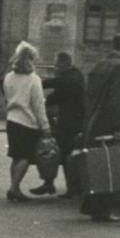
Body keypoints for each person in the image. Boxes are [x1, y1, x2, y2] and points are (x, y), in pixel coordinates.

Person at [80, 33, 120, 223]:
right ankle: (103, 211)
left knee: (96, 165)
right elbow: (118, 99)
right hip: (108, 123)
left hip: (94, 121)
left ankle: (91, 206)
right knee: (110, 167)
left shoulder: (99, 65)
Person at [2, 40, 51, 202]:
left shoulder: (9, 77)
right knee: (24, 156)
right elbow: (38, 105)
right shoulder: (33, 79)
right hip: (27, 122)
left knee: (16, 156)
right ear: (32, 59)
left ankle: (14, 185)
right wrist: (45, 126)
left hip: (11, 120)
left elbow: (7, 96)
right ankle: (14, 188)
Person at [35, 50, 85, 197]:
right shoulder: (75, 75)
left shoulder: (69, 78)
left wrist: (37, 85)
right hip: (72, 121)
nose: (55, 67)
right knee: (62, 153)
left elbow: (57, 91)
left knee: (62, 153)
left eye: (56, 64)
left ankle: (68, 188)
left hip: (70, 123)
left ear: (64, 64)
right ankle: (53, 184)